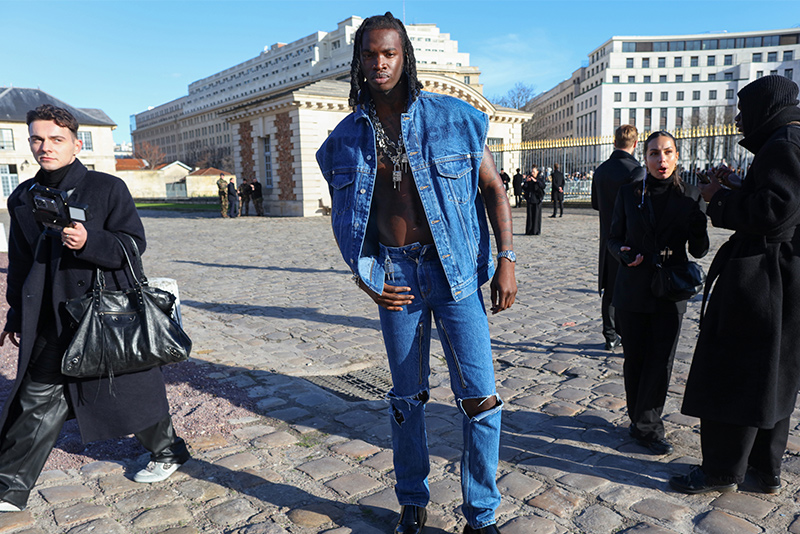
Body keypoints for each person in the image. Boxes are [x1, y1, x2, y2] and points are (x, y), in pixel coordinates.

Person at [316, 12, 516, 534]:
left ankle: (482, 514)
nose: (379, 63)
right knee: (406, 398)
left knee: (480, 396)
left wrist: (506, 261)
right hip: (396, 278)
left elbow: (494, 189)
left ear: (405, 59)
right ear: (357, 61)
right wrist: (365, 275)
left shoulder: (454, 118)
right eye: (369, 54)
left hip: (453, 276)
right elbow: (349, 220)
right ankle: (412, 500)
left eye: (389, 53)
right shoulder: (343, 141)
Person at [0, 105, 190, 513]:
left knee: (127, 390)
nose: (44, 147)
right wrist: (16, 313)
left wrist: (90, 242)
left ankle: (168, 451)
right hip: (50, 316)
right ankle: (9, 488)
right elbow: (18, 261)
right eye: (37, 138)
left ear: (75, 142)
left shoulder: (107, 188)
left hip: (104, 312)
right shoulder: (22, 196)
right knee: (37, 397)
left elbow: (132, 243)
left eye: (55, 139)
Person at [671, 75, 800, 495]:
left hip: (764, 275)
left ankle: (721, 471)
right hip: (781, 275)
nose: (739, 119)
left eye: (744, 110)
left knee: (734, 371)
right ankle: (764, 469)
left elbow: (774, 212)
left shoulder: (784, 144)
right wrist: (738, 185)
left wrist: (716, 199)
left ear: (765, 107)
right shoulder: (787, 139)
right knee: (772, 376)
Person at [607, 130, 709, 457]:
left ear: (676, 156)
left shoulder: (691, 196)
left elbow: (700, 249)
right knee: (635, 358)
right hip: (633, 285)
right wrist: (621, 253)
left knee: (661, 360)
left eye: (667, 152)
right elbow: (612, 238)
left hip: (671, 288)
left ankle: (648, 425)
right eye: (653, 153)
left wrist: (699, 224)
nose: (660, 159)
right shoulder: (628, 194)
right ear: (645, 157)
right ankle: (639, 419)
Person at [591, 125, 645, 351]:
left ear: (614, 142)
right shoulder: (637, 171)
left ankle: (610, 334)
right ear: (635, 144)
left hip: (608, 236)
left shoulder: (601, 170)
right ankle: (626, 331)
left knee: (610, 289)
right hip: (630, 236)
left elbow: (595, 204)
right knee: (631, 285)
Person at [522, 166, 545, 235]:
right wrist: (526, 181)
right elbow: (525, 188)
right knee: (530, 215)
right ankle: (529, 230)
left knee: (536, 216)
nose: (532, 173)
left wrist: (536, 181)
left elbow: (543, 186)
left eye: (534, 172)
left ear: (537, 172)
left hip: (537, 199)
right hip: (530, 199)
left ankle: (536, 230)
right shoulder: (529, 178)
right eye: (532, 172)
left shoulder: (540, 178)